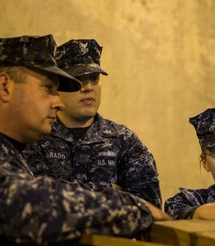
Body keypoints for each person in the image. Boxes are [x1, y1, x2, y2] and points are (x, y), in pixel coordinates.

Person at [0, 35, 168, 246]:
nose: (58, 102)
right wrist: (131, 207)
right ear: (5, 87)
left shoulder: (4, 151)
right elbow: (30, 204)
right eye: (48, 89)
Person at [23, 39, 162, 208]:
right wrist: (112, 193)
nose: (88, 87)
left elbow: (148, 208)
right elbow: (35, 203)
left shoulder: (124, 140)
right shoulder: (36, 137)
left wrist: (62, 192)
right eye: (78, 79)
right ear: (59, 86)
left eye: (94, 78)